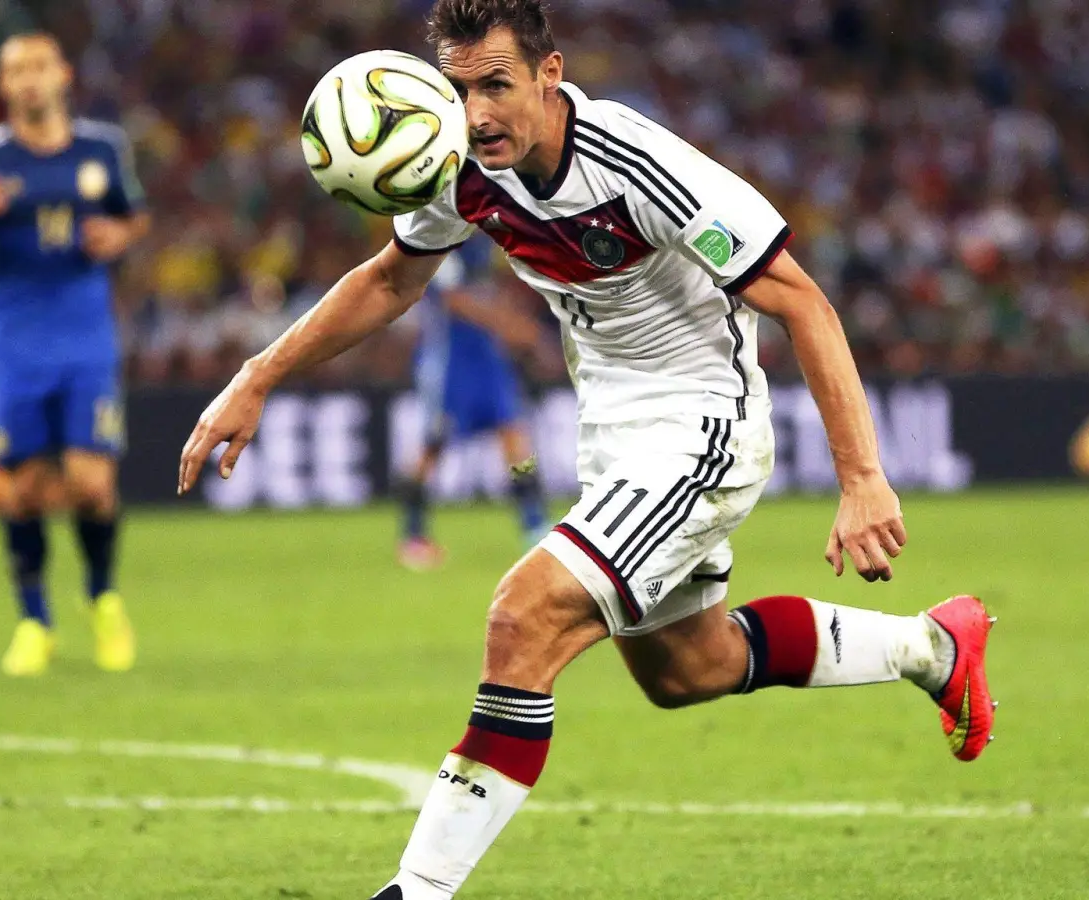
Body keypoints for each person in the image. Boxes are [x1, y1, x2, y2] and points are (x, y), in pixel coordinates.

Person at [177, 2, 996, 896]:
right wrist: (258, 374)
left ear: (549, 75)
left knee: (521, 620)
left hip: (701, 427)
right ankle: (932, 649)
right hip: (613, 433)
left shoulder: (642, 167)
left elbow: (802, 302)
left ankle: (414, 892)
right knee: (693, 668)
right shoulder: (459, 167)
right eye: (457, 89)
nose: (476, 111)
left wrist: (863, 477)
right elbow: (391, 279)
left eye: (496, 85)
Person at [0, 33, 147, 677]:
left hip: (86, 331)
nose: (28, 81)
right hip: (15, 335)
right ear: (3, 86)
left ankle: (102, 599)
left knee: (92, 483)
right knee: (25, 489)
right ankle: (34, 620)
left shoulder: (102, 149)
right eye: (14, 71)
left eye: (38, 67)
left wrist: (117, 234)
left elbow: (134, 218)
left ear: (62, 74)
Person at [399, 238, 549, 571]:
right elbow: (452, 300)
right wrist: (506, 324)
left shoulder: (486, 237)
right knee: (432, 445)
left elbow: (498, 286)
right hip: (449, 362)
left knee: (515, 439)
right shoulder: (443, 243)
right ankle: (412, 536)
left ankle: (535, 526)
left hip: (487, 359)